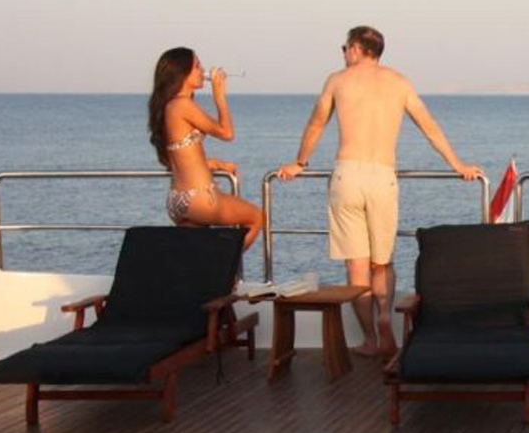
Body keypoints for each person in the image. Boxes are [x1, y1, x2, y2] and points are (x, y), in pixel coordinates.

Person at [276, 26, 484, 359]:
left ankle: (371, 338)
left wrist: (299, 162)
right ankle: (385, 316)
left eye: (345, 48)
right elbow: (428, 126)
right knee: (382, 263)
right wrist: (458, 164)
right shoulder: (398, 82)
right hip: (382, 177)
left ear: (356, 48)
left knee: (356, 266)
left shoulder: (338, 81)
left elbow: (316, 124)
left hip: (347, 175)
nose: (343, 54)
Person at [147, 47, 264, 250]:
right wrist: (219, 96)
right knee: (256, 217)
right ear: (183, 73)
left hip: (178, 201)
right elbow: (226, 133)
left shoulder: (169, 107)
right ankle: (224, 265)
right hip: (201, 199)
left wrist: (217, 164)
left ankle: (213, 268)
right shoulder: (183, 104)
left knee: (196, 253)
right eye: (197, 66)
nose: (203, 71)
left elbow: (179, 159)